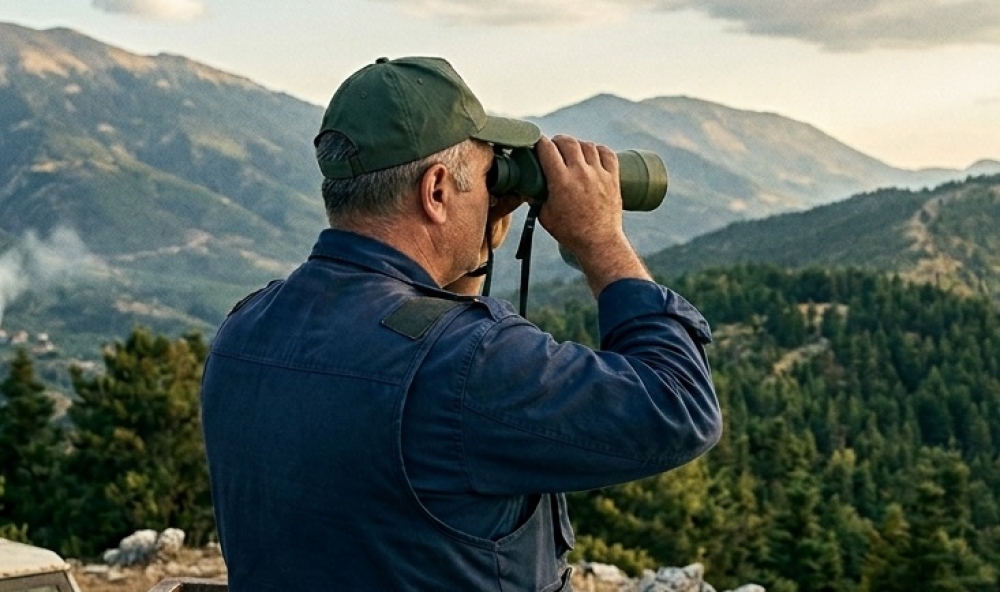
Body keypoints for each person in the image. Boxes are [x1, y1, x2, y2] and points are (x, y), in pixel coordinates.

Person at [200, 56, 721, 591]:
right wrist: (601, 239)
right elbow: (678, 406)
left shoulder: (245, 327)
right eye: (483, 177)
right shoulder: (466, 363)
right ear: (437, 190)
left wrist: (470, 256)